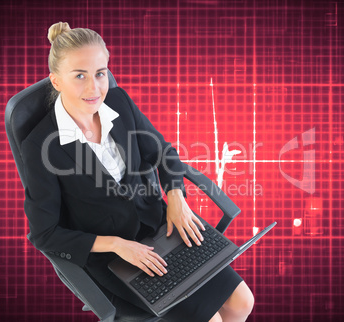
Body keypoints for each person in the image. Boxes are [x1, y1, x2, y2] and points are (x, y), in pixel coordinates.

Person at [21, 21, 254, 322]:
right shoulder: (41, 145)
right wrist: (117, 245)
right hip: (115, 257)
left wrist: (176, 197)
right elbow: (45, 234)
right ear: (56, 81)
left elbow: (163, 152)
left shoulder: (118, 102)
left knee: (242, 302)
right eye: (80, 75)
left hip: (161, 227)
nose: (94, 88)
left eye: (100, 73)